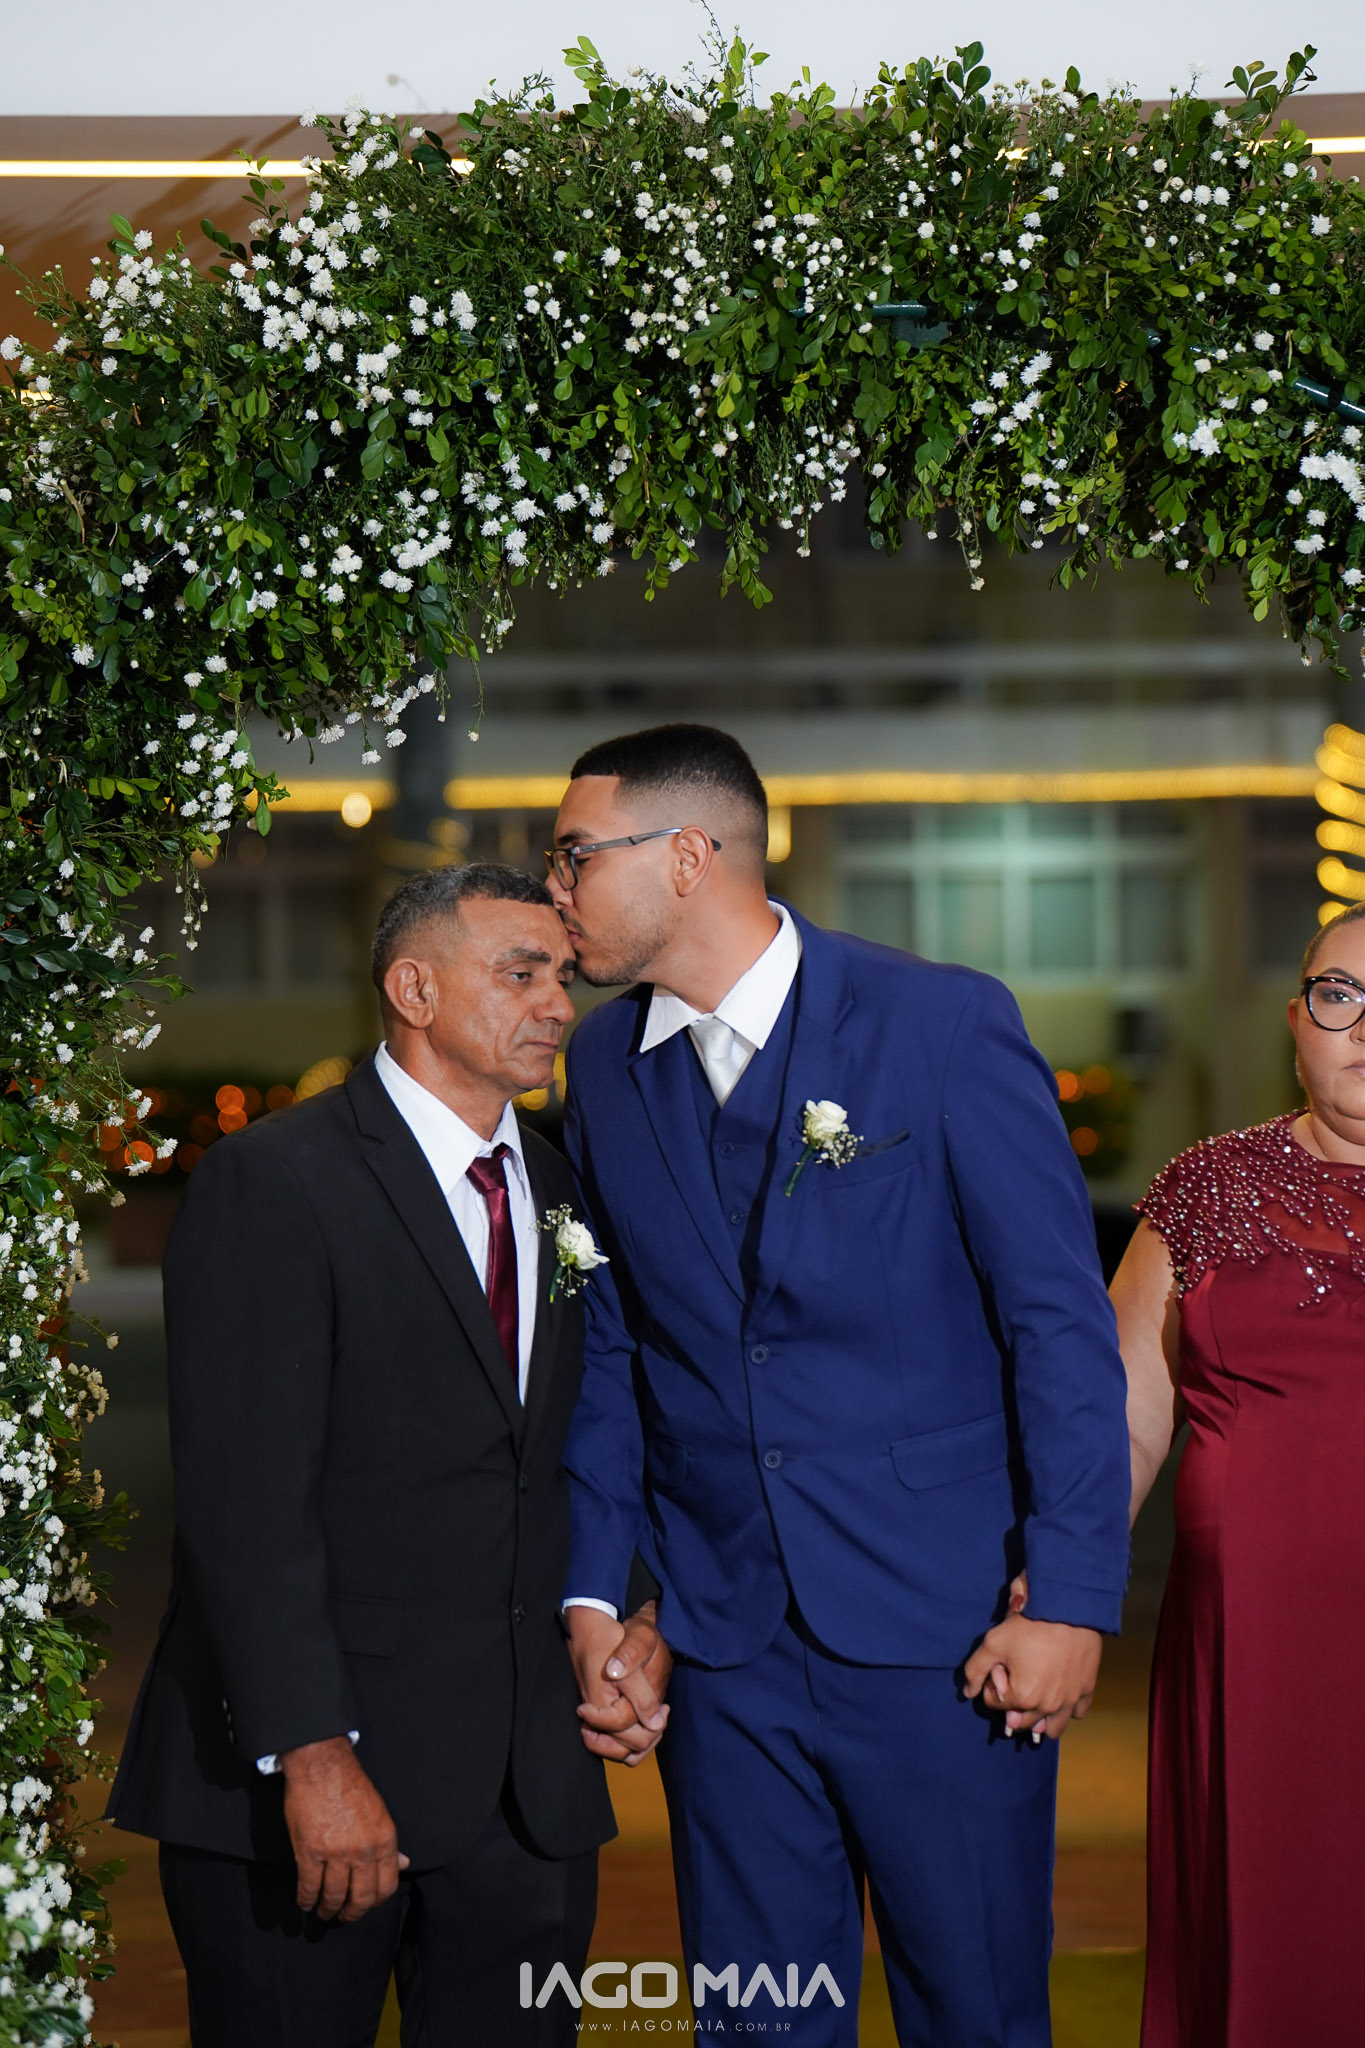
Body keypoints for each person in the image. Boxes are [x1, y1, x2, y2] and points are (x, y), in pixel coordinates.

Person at [545, 724, 1131, 2047]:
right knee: (758, 2023)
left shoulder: (941, 1023)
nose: (555, 889)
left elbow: (1056, 1325)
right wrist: (597, 1590)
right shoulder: (601, 1071)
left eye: (575, 855)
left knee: (975, 2014)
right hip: (724, 1648)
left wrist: (1072, 1594)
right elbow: (618, 1352)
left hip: (947, 1636)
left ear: (687, 855)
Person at [107, 863, 662, 2048]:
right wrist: (314, 1757)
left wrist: (627, 1604)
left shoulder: (563, 1184)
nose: (557, 1003)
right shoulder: (275, 1179)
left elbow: (575, 1440)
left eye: (564, 975)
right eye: (521, 972)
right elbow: (246, 1505)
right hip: (304, 1792)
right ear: (414, 988)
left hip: (527, 1798)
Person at [1116, 899, 1365, 2048]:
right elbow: (1123, 1421)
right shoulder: (1205, 1188)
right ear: (1296, 1020)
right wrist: (1056, 1588)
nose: (1362, 1027)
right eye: (1339, 994)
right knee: (1262, 1916)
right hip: (1249, 1640)